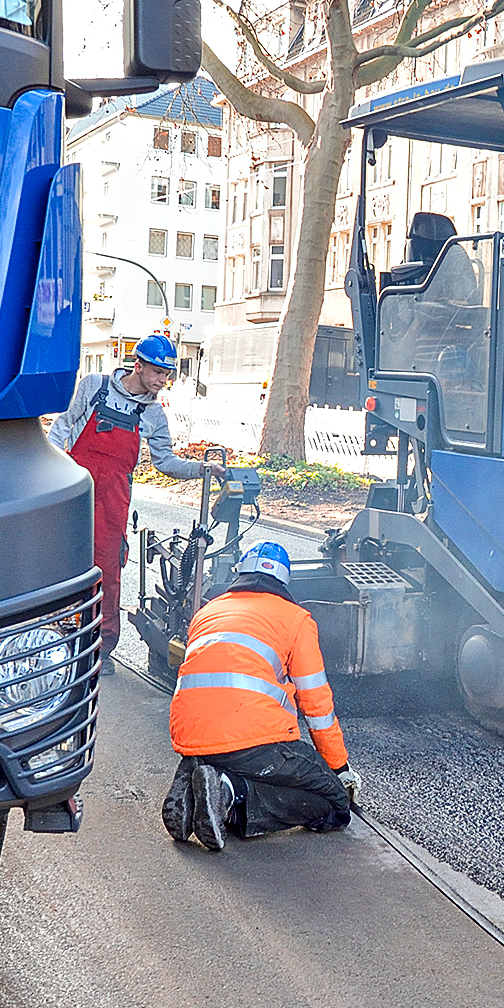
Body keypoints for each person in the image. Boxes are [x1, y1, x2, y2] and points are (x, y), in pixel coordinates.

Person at [160, 542, 360, 851]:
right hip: (253, 744)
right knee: (332, 805)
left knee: (251, 760)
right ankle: (229, 793)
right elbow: (316, 705)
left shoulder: (208, 611)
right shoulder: (295, 619)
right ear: (283, 581)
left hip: (191, 737)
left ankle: (196, 780)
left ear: (241, 571)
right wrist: (338, 767)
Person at [49, 333, 204, 644]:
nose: (163, 380)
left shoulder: (153, 414)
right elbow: (61, 427)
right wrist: (52, 475)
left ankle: (102, 643)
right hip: (74, 490)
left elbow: (165, 462)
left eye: (168, 374)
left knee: (107, 569)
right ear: (139, 366)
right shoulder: (94, 386)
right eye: (158, 372)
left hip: (112, 503)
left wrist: (202, 469)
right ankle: (56, 631)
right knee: (60, 562)